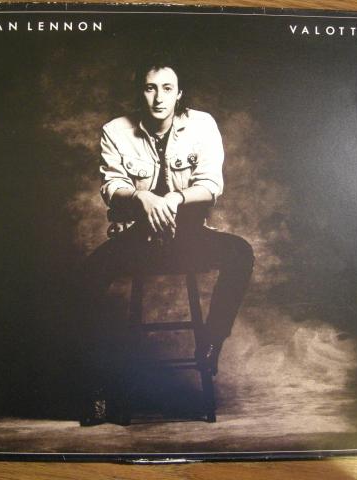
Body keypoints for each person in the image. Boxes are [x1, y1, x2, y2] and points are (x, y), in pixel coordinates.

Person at [78, 53, 254, 426]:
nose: (159, 97)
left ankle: (211, 342)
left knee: (240, 253)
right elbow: (111, 186)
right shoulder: (115, 130)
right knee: (86, 277)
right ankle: (99, 391)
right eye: (150, 88)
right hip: (137, 238)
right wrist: (141, 197)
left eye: (167, 88)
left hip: (188, 238)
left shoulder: (202, 125)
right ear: (139, 92)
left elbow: (211, 185)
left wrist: (173, 198)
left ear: (179, 93)